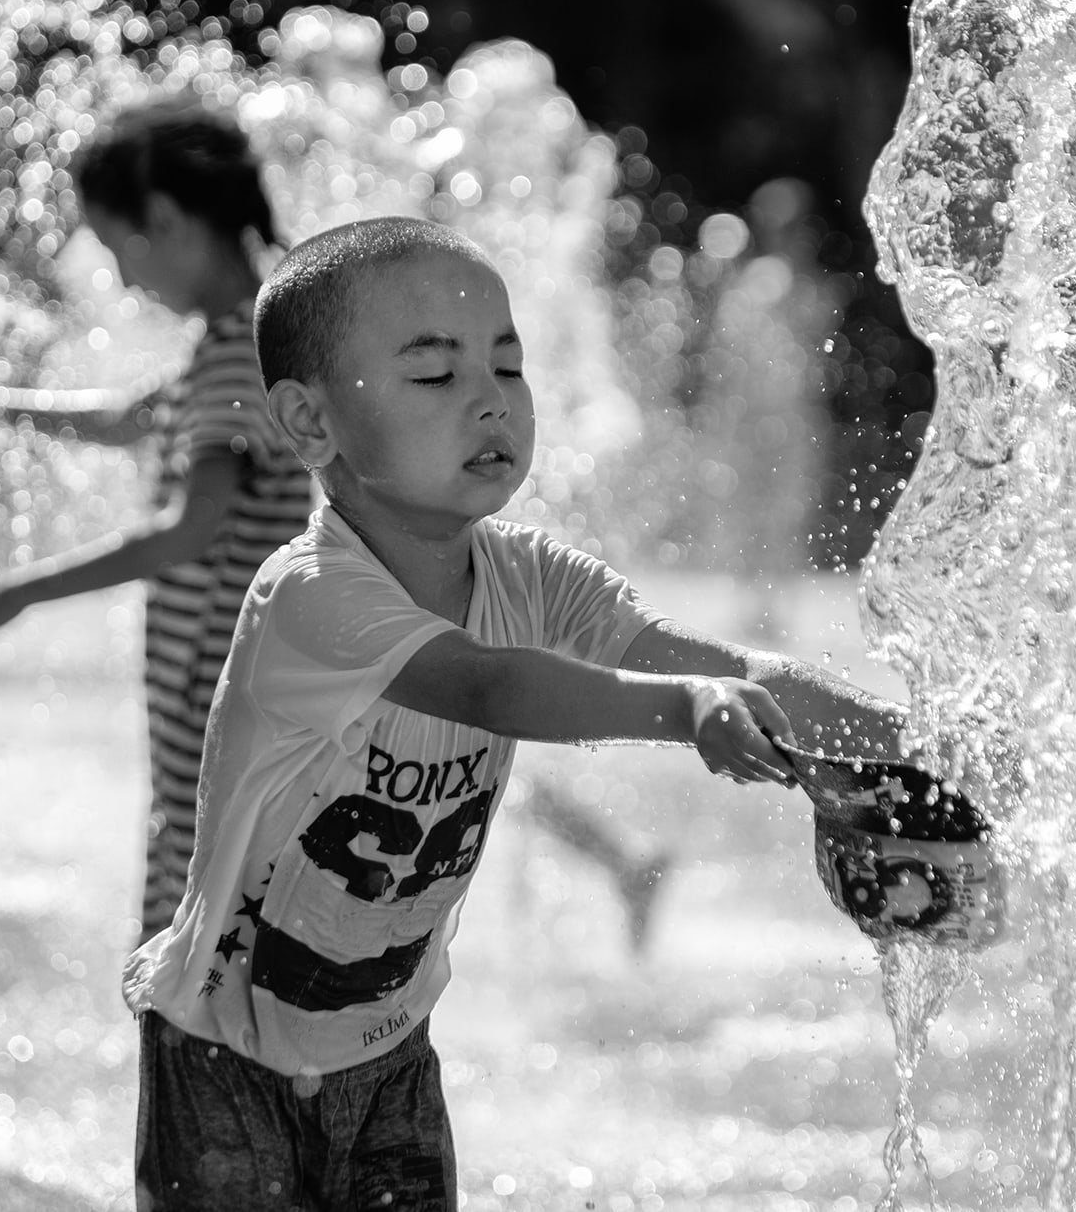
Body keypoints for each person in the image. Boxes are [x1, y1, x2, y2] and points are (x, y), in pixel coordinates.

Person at [123, 216, 926, 1209]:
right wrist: (687, 711)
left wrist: (918, 747)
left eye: (507, 367)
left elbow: (729, 665)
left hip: (388, 1059)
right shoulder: (310, 594)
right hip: (221, 1060)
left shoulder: (532, 576)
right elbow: (487, 685)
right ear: (311, 422)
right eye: (434, 376)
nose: (489, 403)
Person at [0, 96, 314, 942]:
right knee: (211, 916)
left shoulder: (233, 354)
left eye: (118, 250)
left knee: (189, 940)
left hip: (219, 701)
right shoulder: (250, 337)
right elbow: (130, 418)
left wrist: (11, 597)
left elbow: (189, 527)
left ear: (167, 219)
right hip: (235, 702)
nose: (126, 281)